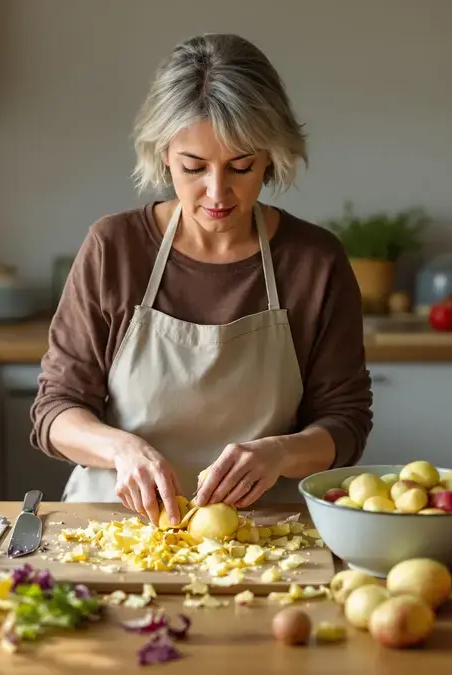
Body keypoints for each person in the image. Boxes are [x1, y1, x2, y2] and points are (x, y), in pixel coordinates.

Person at [30, 33, 373, 526]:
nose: (217, 192)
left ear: (271, 159)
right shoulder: (114, 247)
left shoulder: (315, 261)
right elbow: (56, 410)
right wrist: (121, 448)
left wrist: (280, 454)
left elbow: (346, 423)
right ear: (163, 154)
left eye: (241, 166)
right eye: (193, 167)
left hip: (265, 533)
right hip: (115, 525)